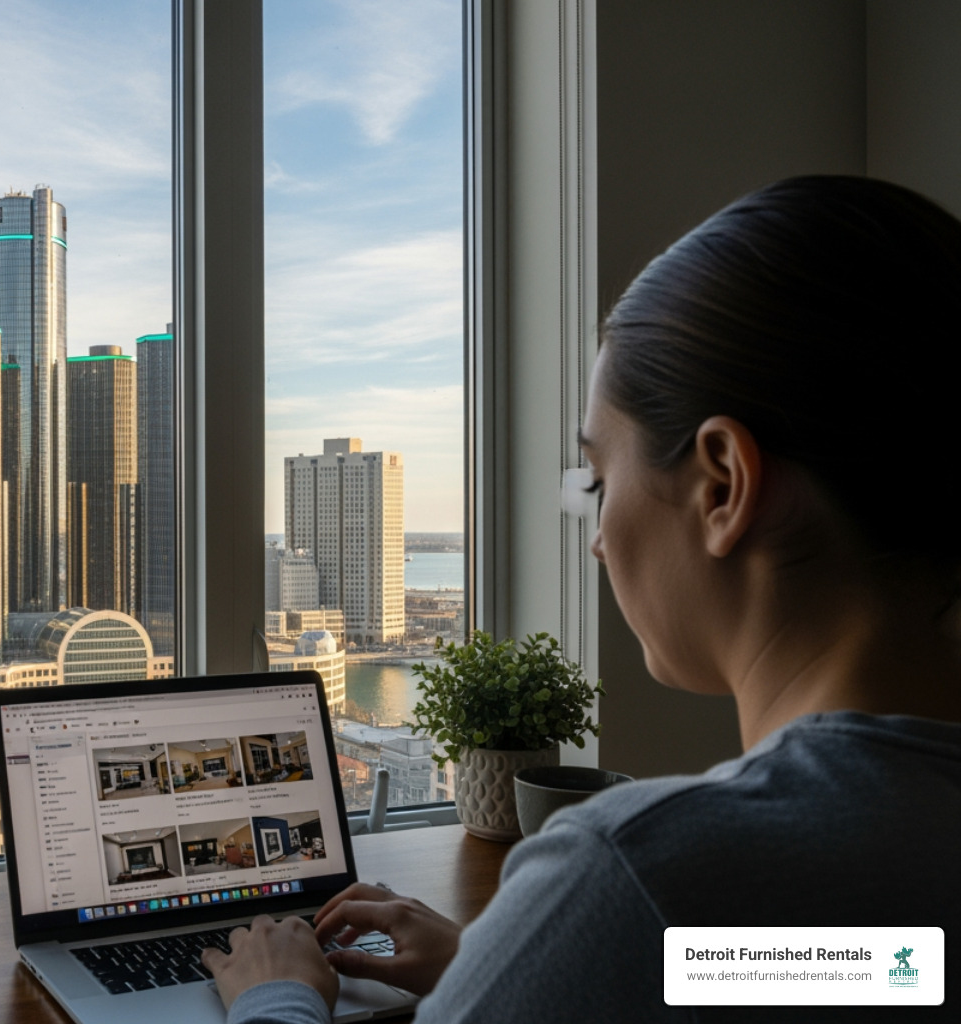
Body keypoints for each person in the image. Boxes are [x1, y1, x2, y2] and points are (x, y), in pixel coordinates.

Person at [201, 176, 961, 1022]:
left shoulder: (637, 870)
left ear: (723, 485)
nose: (597, 537)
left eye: (600, 480)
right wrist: (505, 967)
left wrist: (276, 996)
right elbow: (870, 968)